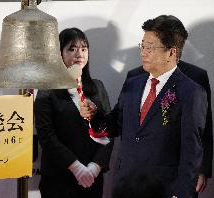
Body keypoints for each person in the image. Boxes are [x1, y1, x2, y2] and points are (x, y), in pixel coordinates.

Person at [80, 15, 208, 198]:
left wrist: (181, 194)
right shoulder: (133, 82)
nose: (143, 52)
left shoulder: (191, 92)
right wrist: (94, 115)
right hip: (125, 187)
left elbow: (192, 153)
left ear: (172, 52)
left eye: (150, 47)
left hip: (163, 189)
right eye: (143, 45)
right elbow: (115, 124)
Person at [34, 27, 113, 198]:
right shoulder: (47, 90)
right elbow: (46, 136)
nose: (79, 54)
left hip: (92, 178)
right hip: (58, 179)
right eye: (72, 49)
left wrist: (95, 166)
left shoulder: (97, 87)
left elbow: (108, 130)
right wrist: (76, 167)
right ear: (59, 54)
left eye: (83, 49)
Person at [126, 60, 213, 196]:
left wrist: (202, 169)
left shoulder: (196, 75)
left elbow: (205, 126)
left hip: (179, 172)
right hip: (137, 175)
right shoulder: (135, 75)